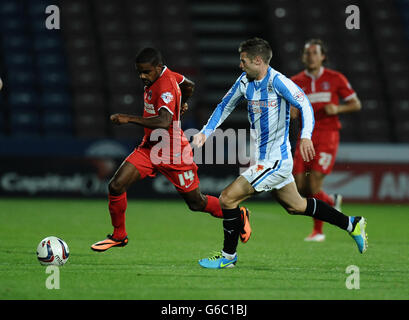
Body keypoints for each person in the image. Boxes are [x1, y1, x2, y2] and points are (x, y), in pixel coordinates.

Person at [192, 37, 368, 269]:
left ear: (258, 60)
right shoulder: (244, 81)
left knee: (227, 198)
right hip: (266, 159)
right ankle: (352, 223)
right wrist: (206, 132)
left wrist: (305, 135)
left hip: (275, 161)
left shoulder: (278, 81)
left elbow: (304, 104)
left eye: (243, 60)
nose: (240, 65)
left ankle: (228, 257)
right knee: (297, 206)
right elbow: (224, 106)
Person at [91, 48, 251, 252]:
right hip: (150, 148)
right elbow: (189, 85)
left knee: (196, 203)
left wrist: (128, 118)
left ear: (158, 68)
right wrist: (183, 102)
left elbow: (164, 121)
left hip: (174, 152)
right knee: (116, 186)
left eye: (146, 72)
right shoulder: (168, 75)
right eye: (139, 72)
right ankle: (119, 236)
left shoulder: (165, 86)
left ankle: (239, 214)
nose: (142, 76)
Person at [291, 39, 361, 242]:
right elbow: (292, 109)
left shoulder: (336, 78)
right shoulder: (295, 81)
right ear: (303, 57)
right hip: (306, 136)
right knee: (300, 187)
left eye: (314, 52)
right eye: (307, 53)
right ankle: (331, 201)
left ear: (323, 56)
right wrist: (292, 111)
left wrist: (337, 108)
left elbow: (356, 104)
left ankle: (318, 231)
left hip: (328, 136)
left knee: (312, 185)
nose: (310, 56)